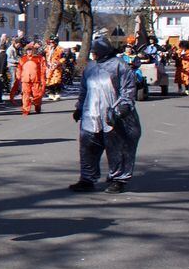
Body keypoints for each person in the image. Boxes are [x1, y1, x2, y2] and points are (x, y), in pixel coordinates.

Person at [70, 37, 141, 194]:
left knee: (118, 149)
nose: (93, 55)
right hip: (91, 115)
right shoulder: (90, 67)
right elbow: (84, 90)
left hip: (114, 117)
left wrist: (121, 110)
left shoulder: (119, 65)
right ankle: (87, 179)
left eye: (95, 52)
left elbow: (128, 91)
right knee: (87, 148)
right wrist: (79, 108)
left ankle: (118, 180)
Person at [16, 43, 47, 115]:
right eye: (28, 50)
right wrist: (18, 77)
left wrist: (43, 77)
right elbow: (19, 69)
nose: (29, 51)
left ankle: (37, 106)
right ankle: (26, 110)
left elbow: (43, 68)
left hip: (36, 79)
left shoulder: (39, 58)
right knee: (25, 95)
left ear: (33, 50)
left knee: (37, 94)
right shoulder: (23, 59)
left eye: (30, 50)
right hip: (25, 80)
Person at [45, 36, 65, 101]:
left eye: (53, 42)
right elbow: (44, 56)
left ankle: (57, 93)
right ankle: (51, 93)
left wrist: (59, 62)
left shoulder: (60, 49)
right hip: (49, 66)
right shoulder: (48, 49)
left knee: (56, 80)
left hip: (57, 67)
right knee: (48, 80)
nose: (51, 43)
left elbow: (64, 58)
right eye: (50, 42)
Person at [6, 39, 21, 104]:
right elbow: (8, 59)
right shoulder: (10, 49)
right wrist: (17, 61)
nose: (19, 46)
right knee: (13, 79)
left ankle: (14, 91)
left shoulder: (15, 49)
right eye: (18, 45)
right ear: (16, 43)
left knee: (16, 79)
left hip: (15, 65)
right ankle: (12, 92)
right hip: (12, 66)